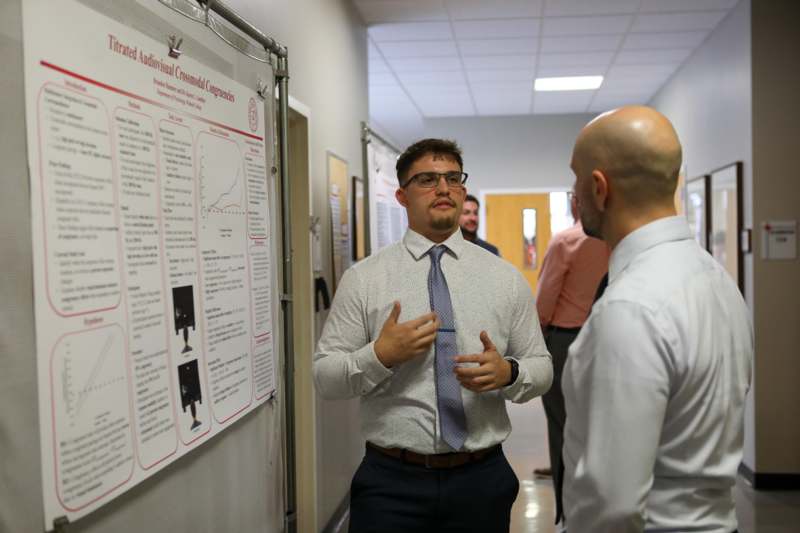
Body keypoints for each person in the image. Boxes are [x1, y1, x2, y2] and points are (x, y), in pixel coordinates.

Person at [313, 138, 552, 533]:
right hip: (391, 482)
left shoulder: (504, 278)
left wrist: (509, 373)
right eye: (427, 179)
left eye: (452, 178)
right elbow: (325, 377)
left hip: (481, 479)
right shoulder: (365, 280)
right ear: (402, 196)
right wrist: (380, 355)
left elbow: (541, 367)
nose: (443, 188)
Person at [562, 106, 753, 533]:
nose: (573, 192)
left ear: (598, 188)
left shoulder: (629, 308)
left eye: (575, 178)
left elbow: (612, 506)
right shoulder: (714, 279)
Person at [533, 191, 609, 526]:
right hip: (607, 337)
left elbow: (545, 301)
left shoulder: (566, 241)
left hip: (565, 341)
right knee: (602, 427)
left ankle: (567, 513)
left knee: (563, 427)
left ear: (577, 201)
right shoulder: (615, 241)